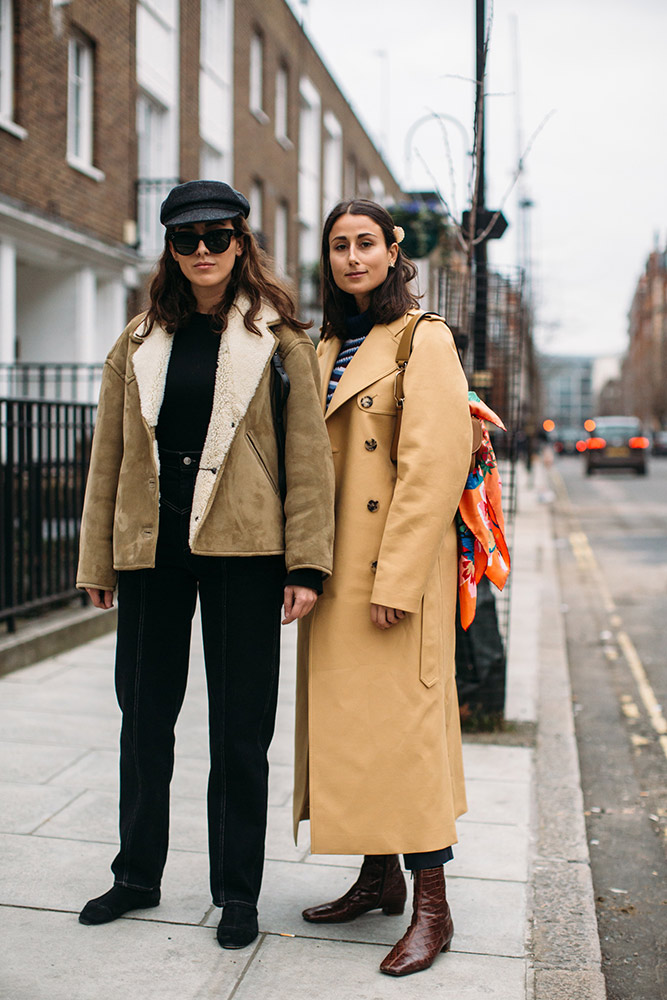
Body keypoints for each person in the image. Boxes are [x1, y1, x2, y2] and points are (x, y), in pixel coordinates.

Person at [75, 180, 334, 950]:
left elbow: (309, 462)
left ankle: (237, 895)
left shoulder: (279, 339)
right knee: (144, 721)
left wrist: (306, 566)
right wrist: (100, 559)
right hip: (153, 551)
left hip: (245, 554)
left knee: (238, 732)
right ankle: (136, 876)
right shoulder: (138, 341)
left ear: (240, 242)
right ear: (170, 248)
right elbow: (109, 457)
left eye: (215, 238)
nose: (201, 253)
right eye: (186, 240)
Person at [293, 199, 472, 977]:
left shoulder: (421, 339)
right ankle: (377, 877)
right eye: (338, 245)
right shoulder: (324, 341)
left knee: (404, 737)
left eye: (365, 243)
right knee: (356, 731)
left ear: (392, 253)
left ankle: (433, 906)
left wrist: (396, 576)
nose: (352, 257)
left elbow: (434, 467)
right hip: (334, 572)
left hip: (391, 575)